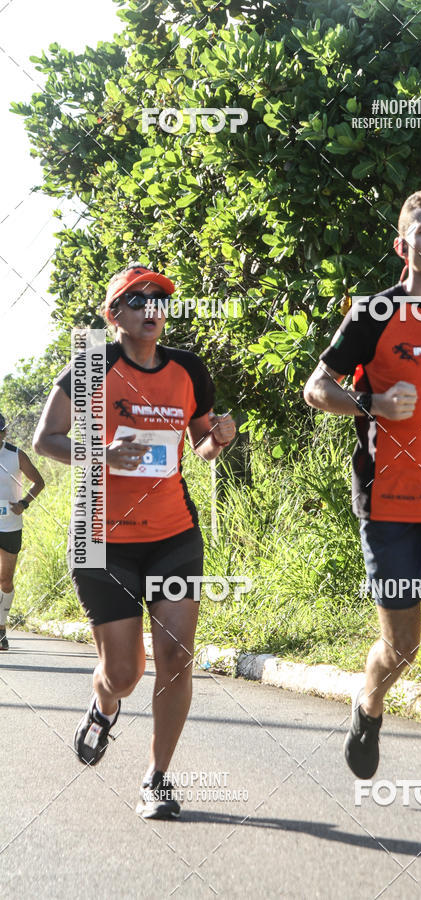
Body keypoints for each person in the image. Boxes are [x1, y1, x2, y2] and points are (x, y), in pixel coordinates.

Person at [304, 189, 421, 827]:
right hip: (388, 504)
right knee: (404, 645)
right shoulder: (374, 313)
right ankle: (370, 701)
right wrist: (374, 406)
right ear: (403, 244)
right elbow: (318, 387)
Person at [33, 263, 236, 819]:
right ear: (113, 314)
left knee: (175, 657)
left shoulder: (189, 370)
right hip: (101, 540)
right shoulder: (93, 364)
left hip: (173, 534)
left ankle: (158, 778)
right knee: (125, 674)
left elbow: (200, 445)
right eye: (138, 298)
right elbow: (45, 438)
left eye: (161, 298)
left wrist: (220, 437)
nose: (152, 307)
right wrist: (100, 454)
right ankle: (103, 707)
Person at [0, 413, 45, 650]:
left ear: (5, 432)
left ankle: (1, 627)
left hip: (9, 526)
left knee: (5, 581)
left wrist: (24, 504)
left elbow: (38, 481)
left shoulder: (16, 455)